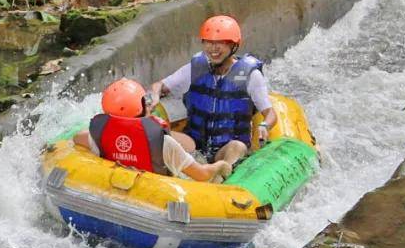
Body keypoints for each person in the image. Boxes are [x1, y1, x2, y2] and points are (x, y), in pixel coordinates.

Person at [150, 15, 275, 165]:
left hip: (226, 149)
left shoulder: (250, 75)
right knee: (159, 135)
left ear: (233, 45)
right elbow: (159, 86)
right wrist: (155, 95)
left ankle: (223, 177)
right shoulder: (196, 68)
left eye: (220, 43)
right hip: (194, 145)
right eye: (208, 42)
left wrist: (264, 126)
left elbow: (270, 114)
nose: (213, 48)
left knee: (237, 147)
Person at [73, 78, 232, 182]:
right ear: (139, 107)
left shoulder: (98, 134)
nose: (148, 104)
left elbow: (76, 139)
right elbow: (201, 175)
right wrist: (220, 165)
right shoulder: (162, 142)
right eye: (145, 100)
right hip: (158, 197)